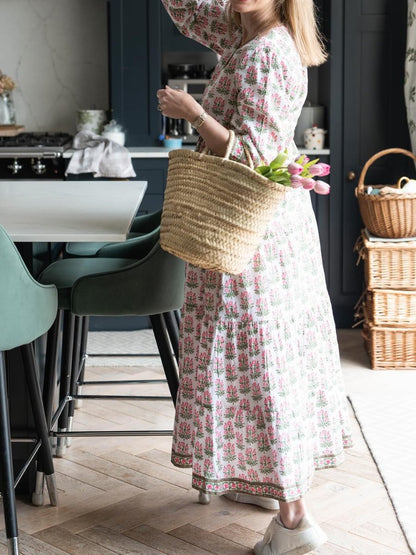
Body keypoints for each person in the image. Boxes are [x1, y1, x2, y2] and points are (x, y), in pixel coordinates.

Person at [157, 1, 353, 553]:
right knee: (263, 358)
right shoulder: (243, 28)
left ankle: (295, 521)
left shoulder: (270, 52)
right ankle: (271, 485)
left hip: (254, 235)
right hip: (262, 229)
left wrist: (192, 113)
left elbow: (252, 155)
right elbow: (187, 9)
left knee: (263, 363)